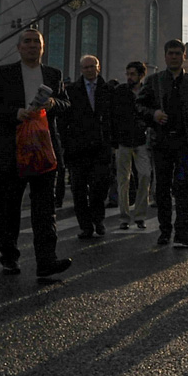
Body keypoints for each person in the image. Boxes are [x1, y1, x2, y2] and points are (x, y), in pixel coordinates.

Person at [0, 27, 70, 277]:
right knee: (9, 207)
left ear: (43, 48)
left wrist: (53, 104)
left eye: (37, 42)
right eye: (28, 42)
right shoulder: (4, 73)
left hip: (43, 149)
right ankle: (9, 256)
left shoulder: (53, 74)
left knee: (45, 208)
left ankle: (46, 261)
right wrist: (15, 113)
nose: (32, 46)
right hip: (12, 150)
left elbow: (65, 104)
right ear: (19, 47)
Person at [139, 39, 188, 248]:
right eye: (171, 53)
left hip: (186, 143)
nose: (174, 56)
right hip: (162, 142)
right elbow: (139, 106)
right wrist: (154, 114)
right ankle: (164, 231)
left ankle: (182, 231)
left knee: (183, 186)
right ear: (165, 55)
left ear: (184, 56)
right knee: (163, 188)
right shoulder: (154, 81)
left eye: (178, 53)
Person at [57, 54, 119, 240]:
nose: (90, 70)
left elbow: (114, 118)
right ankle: (85, 225)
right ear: (81, 70)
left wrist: (112, 141)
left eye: (92, 66)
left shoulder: (108, 90)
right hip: (78, 148)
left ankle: (98, 219)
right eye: (86, 67)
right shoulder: (72, 90)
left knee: (99, 186)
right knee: (79, 189)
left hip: (101, 147)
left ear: (98, 67)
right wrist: (66, 141)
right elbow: (63, 119)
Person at [109, 61, 153, 229]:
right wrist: (114, 141)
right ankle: (124, 217)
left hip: (141, 140)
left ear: (141, 75)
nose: (129, 77)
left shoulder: (147, 91)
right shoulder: (120, 92)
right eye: (128, 74)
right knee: (123, 180)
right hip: (123, 140)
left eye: (132, 74)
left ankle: (140, 215)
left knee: (145, 175)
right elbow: (112, 116)